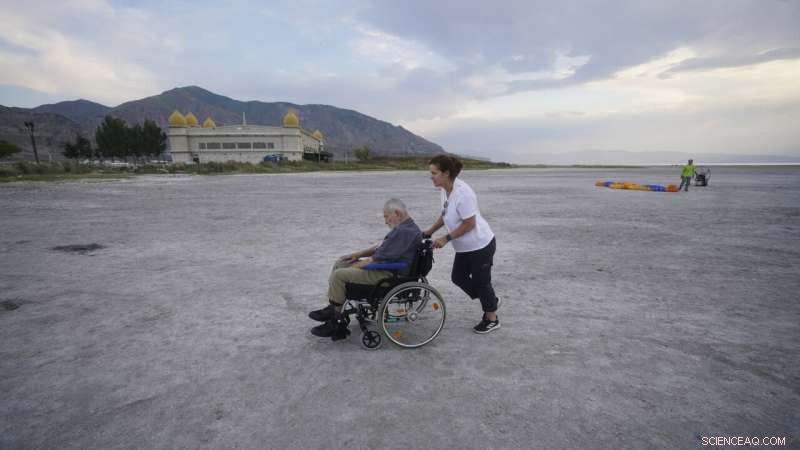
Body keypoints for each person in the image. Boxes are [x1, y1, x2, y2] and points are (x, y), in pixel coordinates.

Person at [308, 198, 421, 340]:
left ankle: (336, 320)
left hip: (390, 274)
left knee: (339, 275)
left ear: (397, 213)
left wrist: (360, 265)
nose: (385, 221)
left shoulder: (404, 232)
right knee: (340, 263)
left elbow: (379, 256)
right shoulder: (405, 228)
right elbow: (381, 248)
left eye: (386, 216)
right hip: (387, 267)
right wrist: (357, 255)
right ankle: (334, 310)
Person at [422, 155, 501, 334]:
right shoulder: (445, 189)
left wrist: (446, 238)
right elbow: (445, 214)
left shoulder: (463, 193)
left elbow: (469, 223)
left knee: (482, 282)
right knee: (459, 277)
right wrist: (430, 231)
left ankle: (492, 317)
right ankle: (491, 301)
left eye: (434, 173)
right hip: (465, 246)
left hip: (480, 244)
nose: (431, 176)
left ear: (446, 173)